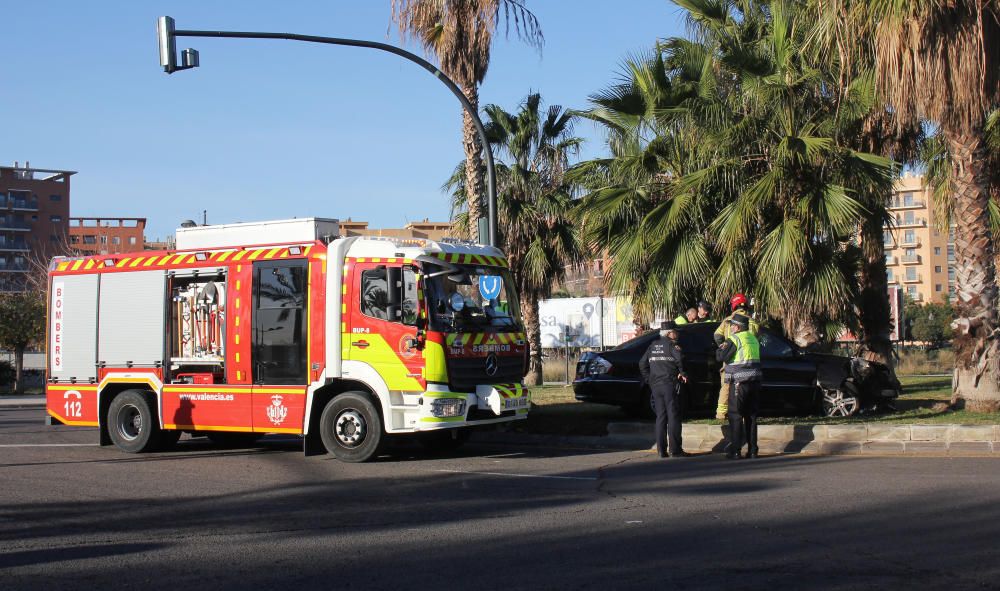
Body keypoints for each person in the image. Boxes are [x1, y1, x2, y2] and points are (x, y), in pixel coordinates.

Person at [639, 321, 689, 458]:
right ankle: (675, 450)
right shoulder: (673, 346)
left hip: (655, 386)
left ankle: (661, 450)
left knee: (660, 417)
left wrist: (649, 379)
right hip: (669, 384)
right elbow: (681, 360)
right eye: (675, 331)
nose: (677, 334)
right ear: (669, 333)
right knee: (673, 415)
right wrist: (682, 372)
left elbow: (642, 363)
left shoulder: (652, 346)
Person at [716, 314, 762, 459]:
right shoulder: (753, 339)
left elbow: (721, 357)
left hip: (739, 383)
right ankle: (753, 450)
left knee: (735, 415)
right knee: (751, 416)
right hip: (754, 382)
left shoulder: (734, 339)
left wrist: (720, 348)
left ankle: (736, 451)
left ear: (736, 327)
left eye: (731, 326)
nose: (730, 328)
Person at [712, 293, 759, 420]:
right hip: (749, 361)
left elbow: (717, 335)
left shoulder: (727, 320)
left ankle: (721, 414)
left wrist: (723, 346)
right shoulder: (753, 322)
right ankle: (742, 414)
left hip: (730, 359)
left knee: (726, 386)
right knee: (744, 390)